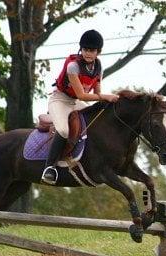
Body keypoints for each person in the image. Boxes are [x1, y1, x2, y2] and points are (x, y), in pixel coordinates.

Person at [42, 29, 119, 185]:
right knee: (63, 131)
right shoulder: (73, 66)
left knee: (95, 122)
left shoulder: (98, 67)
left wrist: (105, 101)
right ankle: (49, 168)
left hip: (75, 102)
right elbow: (82, 95)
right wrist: (105, 96)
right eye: (85, 49)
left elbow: (97, 92)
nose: (88, 53)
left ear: (98, 52)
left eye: (92, 50)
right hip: (60, 99)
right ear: (81, 49)